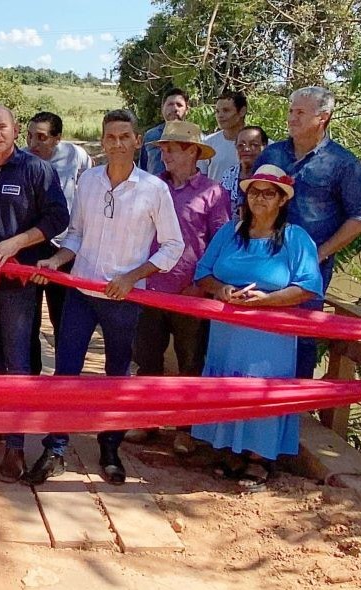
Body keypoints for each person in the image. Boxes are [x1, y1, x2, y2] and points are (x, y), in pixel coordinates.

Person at [28, 109, 184, 486]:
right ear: (102, 141)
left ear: (136, 142)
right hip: (82, 291)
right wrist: (55, 259)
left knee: (116, 376)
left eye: (124, 137)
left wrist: (132, 277)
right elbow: (77, 235)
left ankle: (110, 447)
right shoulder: (89, 181)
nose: (117, 143)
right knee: (66, 371)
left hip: (124, 299)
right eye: (110, 137)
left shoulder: (153, 189)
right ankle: (57, 447)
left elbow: (172, 245)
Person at [0, 104, 69, 483]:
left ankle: (16, 445)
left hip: (19, 283)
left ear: (14, 129)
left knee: (18, 359)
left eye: (1, 126)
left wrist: (16, 244)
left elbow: (56, 219)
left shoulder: (37, 170)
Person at [191, 164, 323, 491]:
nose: (259, 198)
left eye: (268, 193)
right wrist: (220, 289)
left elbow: (308, 286)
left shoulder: (296, 238)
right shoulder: (230, 233)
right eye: (254, 191)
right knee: (228, 383)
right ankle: (231, 450)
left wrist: (267, 299)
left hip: (270, 334)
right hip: (228, 330)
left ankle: (259, 458)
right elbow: (203, 272)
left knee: (263, 388)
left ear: (281, 200)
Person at [254, 86, 361, 378]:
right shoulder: (272, 154)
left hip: (308, 269)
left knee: (302, 336)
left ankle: (294, 410)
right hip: (261, 259)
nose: (292, 118)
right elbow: (250, 200)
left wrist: (319, 254)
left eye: (300, 112)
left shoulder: (343, 163)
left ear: (323, 118)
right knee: (257, 329)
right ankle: (253, 406)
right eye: (291, 111)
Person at [131, 121, 229, 452]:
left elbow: (220, 243)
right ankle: (147, 420)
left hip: (191, 295)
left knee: (190, 362)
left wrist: (202, 286)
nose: (165, 155)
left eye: (171, 149)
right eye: (162, 149)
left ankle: (185, 429)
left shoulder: (214, 193)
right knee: (147, 358)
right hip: (150, 289)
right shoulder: (151, 186)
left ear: (192, 151)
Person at [24, 111, 93, 375]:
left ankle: (63, 378)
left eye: (41, 137)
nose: (33, 144)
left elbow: (88, 182)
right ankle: (32, 376)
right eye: (30, 136)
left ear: (57, 139)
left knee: (63, 318)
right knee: (28, 318)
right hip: (31, 247)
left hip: (65, 249)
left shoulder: (75, 156)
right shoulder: (22, 160)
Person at [219, 126, 269, 220]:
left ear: (265, 146)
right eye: (241, 145)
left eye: (253, 144)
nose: (246, 149)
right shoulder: (229, 174)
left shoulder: (271, 175)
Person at [139, 88, 190, 176]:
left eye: (179, 105)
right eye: (170, 104)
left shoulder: (195, 138)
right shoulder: (151, 136)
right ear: (162, 108)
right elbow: (142, 170)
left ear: (187, 110)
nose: (174, 108)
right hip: (154, 188)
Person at [199, 90, 248, 181]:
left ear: (242, 111)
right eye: (217, 111)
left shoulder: (262, 145)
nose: (220, 116)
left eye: (226, 110)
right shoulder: (207, 144)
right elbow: (200, 180)